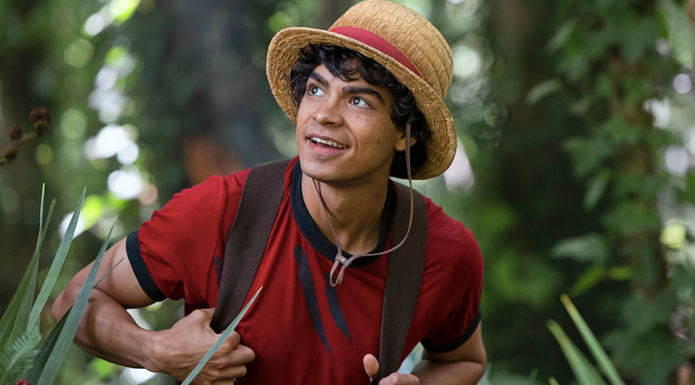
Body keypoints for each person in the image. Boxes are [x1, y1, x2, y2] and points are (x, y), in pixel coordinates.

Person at [53, 0, 487, 384]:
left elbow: (464, 361)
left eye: (358, 101)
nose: (324, 115)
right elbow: (72, 302)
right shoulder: (219, 211)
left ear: (406, 135)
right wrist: (156, 351)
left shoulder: (444, 253)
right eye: (316, 89)